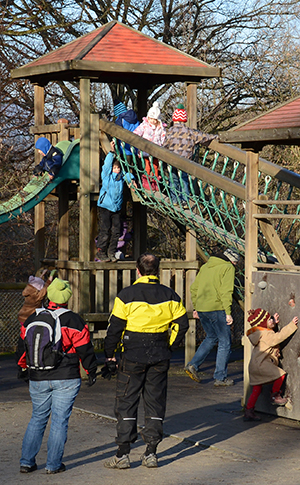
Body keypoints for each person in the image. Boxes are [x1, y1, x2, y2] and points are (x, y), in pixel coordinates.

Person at [103, 252, 189, 469]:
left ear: (138, 271)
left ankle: (122, 454)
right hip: (159, 351)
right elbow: (182, 324)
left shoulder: (126, 294)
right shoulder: (170, 294)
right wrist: (169, 344)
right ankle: (151, 452)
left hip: (132, 352)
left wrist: (110, 354)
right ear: (157, 271)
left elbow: (115, 327)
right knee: (155, 402)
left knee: (126, 401)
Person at [16, 278, 98, 474]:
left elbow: (22, 349)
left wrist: (23, 369)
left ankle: (27, 462)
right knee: (60, 420)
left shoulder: (32, 318)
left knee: (37, 418)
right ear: (67, 298)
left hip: (37, 375)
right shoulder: (73, 319)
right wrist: (91, 371)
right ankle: (53, 465)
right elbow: (85, 349)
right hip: (66, 376)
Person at [184, 248, 240, 386]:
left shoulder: (206, 266)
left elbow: (194, 288)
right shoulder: (228, 268)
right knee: (225, 342)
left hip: (203, 308)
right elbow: (225, 291)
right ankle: (220, 378)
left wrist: (196, 306)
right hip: (217, 308)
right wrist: (228, 312)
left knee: (211, 337)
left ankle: (193, 365)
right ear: (233, 261)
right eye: (236, 263)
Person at [244, 308, 298, 422]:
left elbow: (268, 334)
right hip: (261, 364)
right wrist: (291, 325)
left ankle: (249, 411)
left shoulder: (259, 333)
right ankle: (275, 395)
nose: (272, 321)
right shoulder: (266, 334)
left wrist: (272, 323)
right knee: (280, 374)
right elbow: (278, 337)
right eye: (270, 320)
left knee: (257, 389)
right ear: (263, 324)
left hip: (254, 365)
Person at [163, 104, 217, 206]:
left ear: (174, 120)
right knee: (184, 180)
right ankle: (185, 201)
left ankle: (174, 200)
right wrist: (214, 136)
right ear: (184, 121)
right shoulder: (190, 132)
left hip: (172, 160)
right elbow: (204, 137)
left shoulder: (169, 131)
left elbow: (164, 145)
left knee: (173, 179)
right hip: (185, 161)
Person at [95, 143, 135, 263]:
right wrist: (112, 152)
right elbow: (107, 165)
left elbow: (127, 175)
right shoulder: (107, 176)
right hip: (106, 207)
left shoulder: (120, 177)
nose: (116, 170)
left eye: (118, 168)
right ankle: (101, 251)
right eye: (115, 168)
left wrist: (131, 180)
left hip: (116, 208)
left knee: (117, 231)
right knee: (105, 230)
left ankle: (111, 252)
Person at [133, 101, 166, 190]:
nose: (152, 121)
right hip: (145, 148)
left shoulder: (161, 128)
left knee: (155, 166)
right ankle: (146, 181)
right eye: (151, 119)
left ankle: (155, 182)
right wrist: (135, 136)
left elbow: (163, 137)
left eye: (155, 120)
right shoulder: (145, 125)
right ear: (148, 117)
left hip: (155, 150)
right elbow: (138, 131)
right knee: (147, 165)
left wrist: (162, 144)